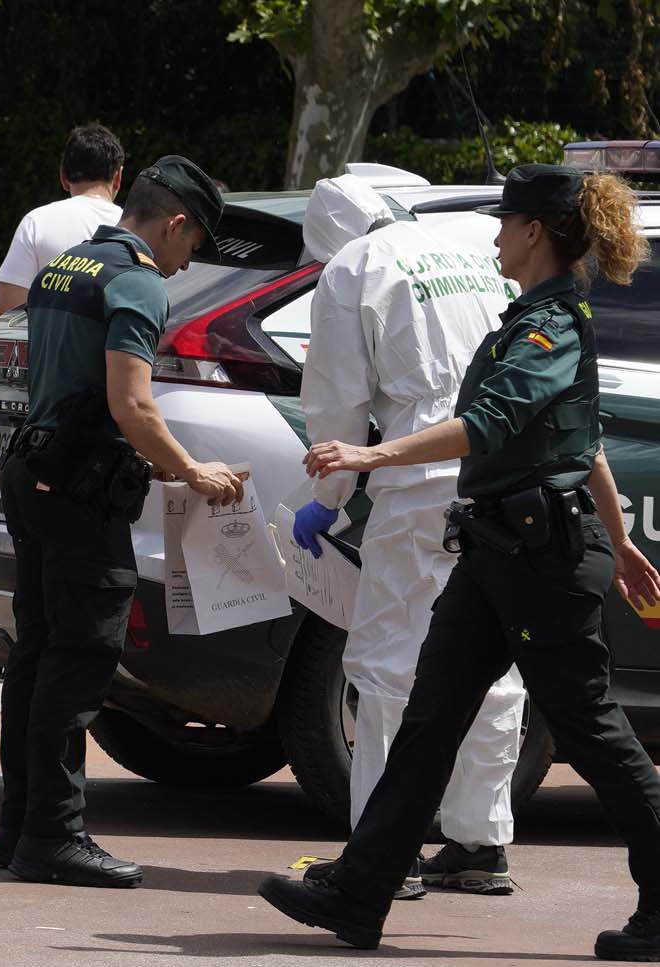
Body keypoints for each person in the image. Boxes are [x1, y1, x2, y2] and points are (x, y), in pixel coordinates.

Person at [257, 164, 660, 958]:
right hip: (492, 549)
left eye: (508, 223)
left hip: (539, 560)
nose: (497, 236)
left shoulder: (551, 327)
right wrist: (623, 542)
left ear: (536, 232)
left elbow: (487, 421)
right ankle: (361, 890)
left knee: (592, 728)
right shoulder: (525, 316)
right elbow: (591, 444)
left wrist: (372, 457)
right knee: (430, 715)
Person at [0, 156, 244, 888]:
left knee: (35, 660)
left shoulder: (65, 265)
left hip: (34, 473)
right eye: (192, 244)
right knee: (77, 665)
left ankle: (19, 828)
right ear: (173, 224)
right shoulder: (134, 280)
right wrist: (192, 470)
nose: (186, 261)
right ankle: (53, 834)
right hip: (81, 491)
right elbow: (131, 404)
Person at [291, 174, 526, 899]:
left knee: (387, 664)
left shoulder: (350, 269)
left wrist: (324, 501)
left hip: (420, 480)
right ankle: (479, 842)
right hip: (504, 476)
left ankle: (382, 850)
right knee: (491, 659)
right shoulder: (463, 247)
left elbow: (336, 400)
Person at [0, 123, 124, 320]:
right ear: (118, 177)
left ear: (63, 176)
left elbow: (7, 315)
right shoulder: (134, 229)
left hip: (45, 350)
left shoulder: (36, 222)